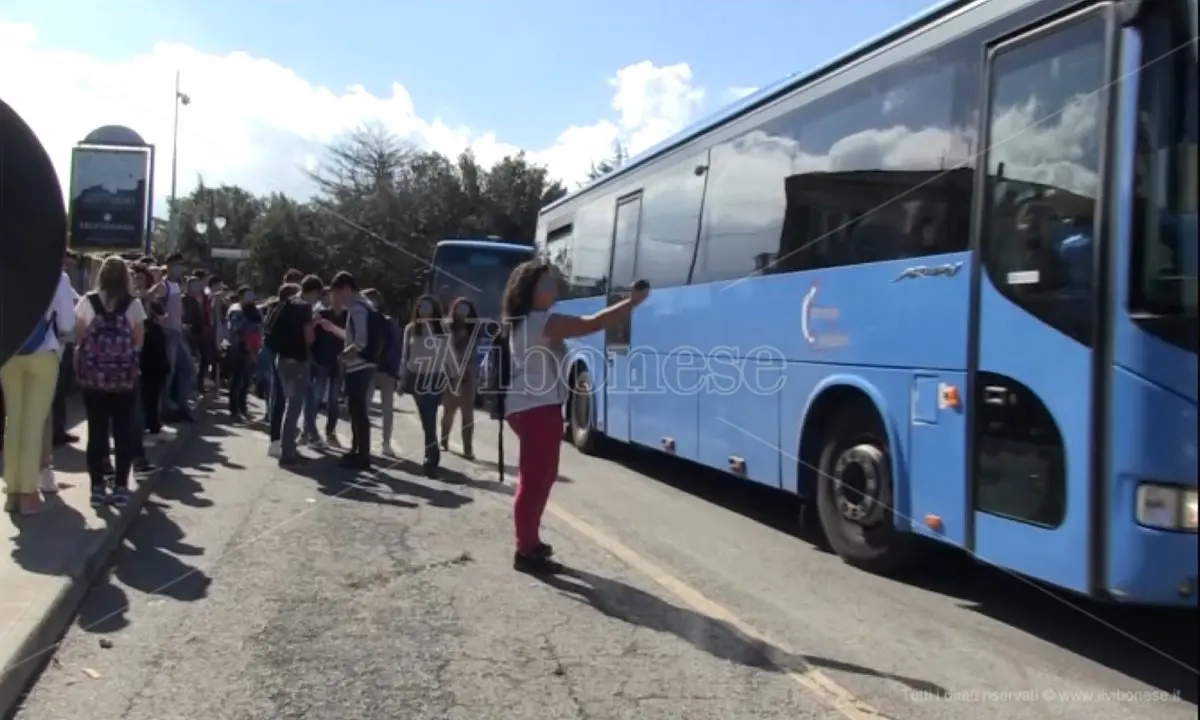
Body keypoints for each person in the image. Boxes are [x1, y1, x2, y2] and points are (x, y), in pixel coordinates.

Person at [499, 261, 648, 573]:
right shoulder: (541, 320)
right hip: (536, 408)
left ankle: (529, 542)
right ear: (530, 290)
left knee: (541, 477)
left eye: (554, 284)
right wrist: (631, 303)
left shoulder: (526, 320)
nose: (552, 290)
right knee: (535, 480)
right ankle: (525, 550)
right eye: (546, 285)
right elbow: (592, 324)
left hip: (533, 407)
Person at [2, 266, 77, 515]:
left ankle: (12, 492)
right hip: (44, 352)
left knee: (13, 423)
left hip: (9, 354)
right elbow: (67, 322)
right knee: (34, 424)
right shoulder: (57, 276)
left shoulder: (7, 271)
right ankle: (28, 494)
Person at [73, 255, 146, 508]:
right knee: (123, 433)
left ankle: (96, 487)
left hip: (94, 380)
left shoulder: (88, 301)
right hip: (124, 380)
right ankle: (121, 487)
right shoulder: (133, 305)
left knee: (97, 433)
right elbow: (138, 342)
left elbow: (80, 337)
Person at [265, 278, 318, 465]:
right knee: (294, 406)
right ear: (313, 292)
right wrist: (313, 325)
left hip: (281, 359)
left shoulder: (285, 303)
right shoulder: (304, 308)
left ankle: (285, 445)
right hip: (298, 361)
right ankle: (288, 450)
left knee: (286, 402)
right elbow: (309, 338)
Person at [326, 271, 376, 471]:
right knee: (357, 410)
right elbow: (352, 335)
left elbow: (360, 340)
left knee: (358, 411)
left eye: (338, 294)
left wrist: (344, 356)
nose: (337, 299)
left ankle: (362, 455)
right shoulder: (365, 305)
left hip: (359, 365)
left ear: (346, 289)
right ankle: (357, 450)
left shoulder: (357, 308)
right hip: (365, 364)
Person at [400, 295, 448, 477]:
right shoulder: (411, 329)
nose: (423, 310)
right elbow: (405, 356)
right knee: (425, 417)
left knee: (430, 415)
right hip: (416, 376)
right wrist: (402, 379)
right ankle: (432, 450)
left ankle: (432, 454)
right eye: (420, 307)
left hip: (435, 377)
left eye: (427, 307)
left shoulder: (441, 329)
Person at [304, 285, 345, 449]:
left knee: (333, 401)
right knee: (315, 397)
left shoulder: (347, 316)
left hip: (338, 362)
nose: (333, 298)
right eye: (330, 296)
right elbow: (310, 337)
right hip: (321, 361)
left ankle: (330, 432)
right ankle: (308, 431)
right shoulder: (321, 315)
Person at [362, 288, 401, 457]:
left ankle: (385, 441)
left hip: (382, 368)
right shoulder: (364, 319)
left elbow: (394, 347)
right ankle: (367, 441)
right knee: (367, 406)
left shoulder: (386, 321)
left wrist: (394, 369)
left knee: (383, 407)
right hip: (370, 368)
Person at [441, 297, 480, 459]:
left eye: (465, 308)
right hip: (451, 374)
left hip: (468, 376)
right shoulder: (447, 326)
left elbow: (473, 351)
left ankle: (467, 448)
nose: (462, 312)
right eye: (459, 308)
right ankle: (444, 441)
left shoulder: (474, 328)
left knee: (468, 414)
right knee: (449, 411)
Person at [51, 250, 81, 446]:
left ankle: (57, 431)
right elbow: (67, 320)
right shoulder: (61, 279)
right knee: (57, 390)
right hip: (55, 345)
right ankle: (56, 433)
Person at [225, 286, 263, 421]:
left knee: (246, 381)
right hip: (238, 348)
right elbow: (235, 329)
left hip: (251, 349)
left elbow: (260, 327)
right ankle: (234, 410)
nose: (250, 298)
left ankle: (243, 408)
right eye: (247, 295)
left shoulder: (254, 310)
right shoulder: (236, 310)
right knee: (236, 381)